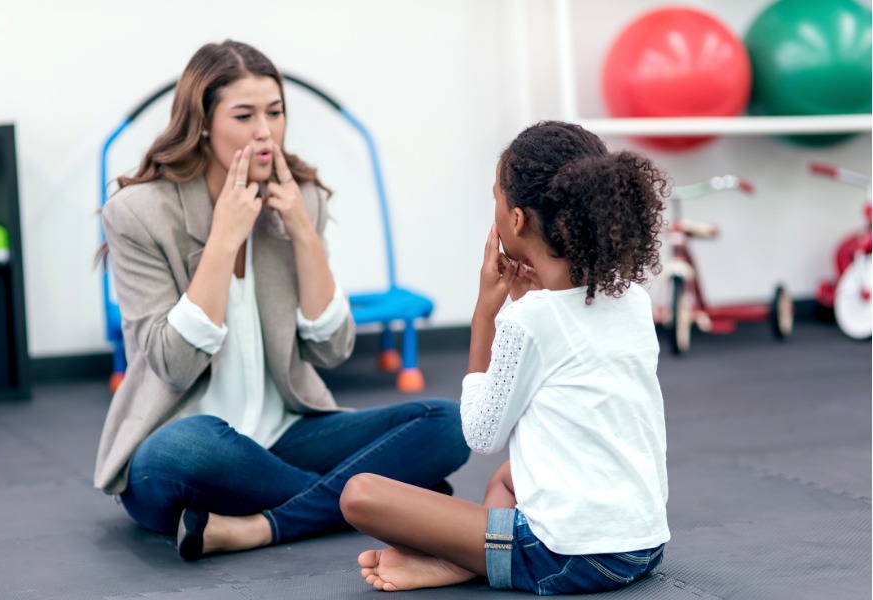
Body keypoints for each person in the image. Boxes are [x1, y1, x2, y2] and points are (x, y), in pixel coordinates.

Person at [93, 40, 469, 561]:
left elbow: (332, 350)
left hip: (284, 433)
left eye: (275, 112)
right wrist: (224, 237)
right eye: (244, 115)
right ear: (202, 122)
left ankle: (261, 525)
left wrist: (300, 229)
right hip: (184, 444)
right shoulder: (137, 213)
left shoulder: (301, 197)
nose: (265, 131)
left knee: (448, 423)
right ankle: (379, 498)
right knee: (189, 446)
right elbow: (174, 365)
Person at [340, 121, 670, 595]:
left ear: (515, 220)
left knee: (361, 494)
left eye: (495, 196)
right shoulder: (632, 299)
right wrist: (521, 307)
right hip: (642, 546)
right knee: (509, 479)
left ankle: (468, 560)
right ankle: (471, 559)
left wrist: (485, 315)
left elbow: (481, 433)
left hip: (570, 559)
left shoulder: (528, 321)